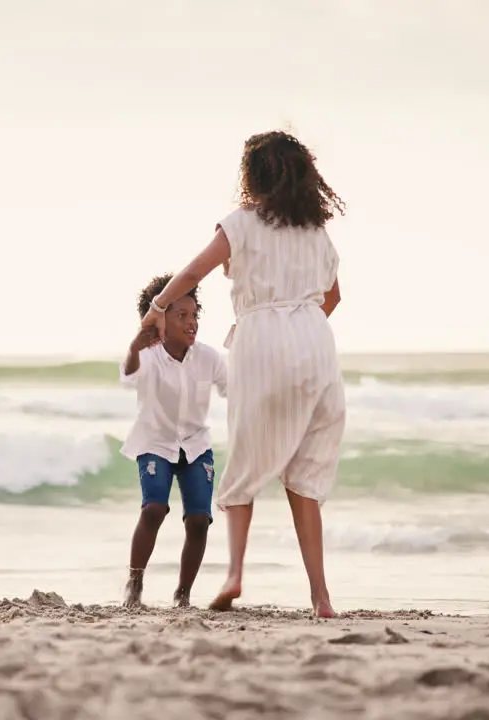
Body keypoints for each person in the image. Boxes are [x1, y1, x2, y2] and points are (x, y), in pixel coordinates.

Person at [139, 131, 345, 617]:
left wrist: (158, 306)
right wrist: (299, 334)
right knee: (305, 477)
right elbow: (333, 298)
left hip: (261, 344)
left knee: (246, 464)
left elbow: (192, 274)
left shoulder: (241, 224)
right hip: (317, 347)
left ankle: (234, 575)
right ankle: (321, 597)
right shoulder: (317, 232)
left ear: (253, 176)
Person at [120, 273, 228, 608]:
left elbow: (234, 390)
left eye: (194, 315)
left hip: (195, 445)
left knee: (199, 520)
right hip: (155, 442)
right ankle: (135, 581)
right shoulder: (149, 356)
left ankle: (183, 594)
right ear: (161, 319)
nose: (191, 322)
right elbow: (128, 377)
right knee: (154, 509)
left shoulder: (209, 358)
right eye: (181, 316)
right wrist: (135, 346)